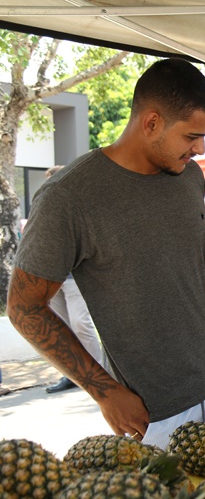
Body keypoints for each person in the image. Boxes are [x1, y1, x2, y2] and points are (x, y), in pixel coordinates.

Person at [7, 59, 205, 449]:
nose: (201, 148)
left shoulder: (187, 176)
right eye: (192, 135)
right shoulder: (69, 198)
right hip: (152, 415)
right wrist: (104, 391)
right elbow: (24, 308)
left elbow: (189, 260)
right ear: (151, 122)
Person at [41, 165, 106, 395]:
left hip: (74, 277)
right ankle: (71, 374)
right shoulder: (44, 209)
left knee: (81, 322)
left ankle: (99, 372)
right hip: (52, 279)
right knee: (62, 328)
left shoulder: (78, 208)